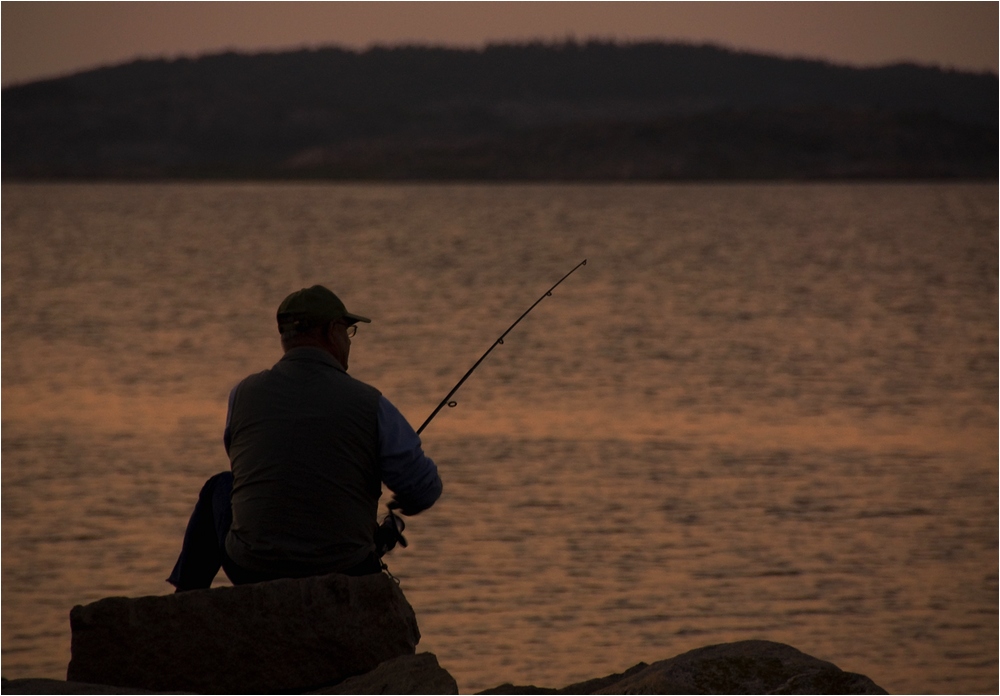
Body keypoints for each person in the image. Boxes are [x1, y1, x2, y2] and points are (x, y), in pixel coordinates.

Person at [167, 285, 442, 591]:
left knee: (220, 486)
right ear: (330, 331)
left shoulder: (242, 394)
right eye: (348, 331)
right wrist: (401, 496)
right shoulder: (370, 403)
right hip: (346, 570)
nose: (349, 342)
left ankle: (185, 601)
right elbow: (424, 489)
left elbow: (244, 465)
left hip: (251, 569)